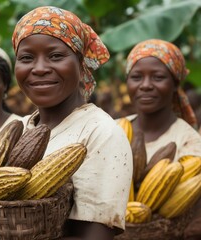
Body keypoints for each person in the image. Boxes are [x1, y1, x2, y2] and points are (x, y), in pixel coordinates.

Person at [12, 6, 133, 239]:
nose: (39, 69)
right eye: (26, 58)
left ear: (81, 62)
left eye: (55, 56)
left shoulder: (100, 133)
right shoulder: (18, 128)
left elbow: (95, 235)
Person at [124, 39, 201, 240]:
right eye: (136, 77)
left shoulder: (190, 142)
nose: (146, 85)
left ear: (175, 84)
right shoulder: (111, 129)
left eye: (158, 77)